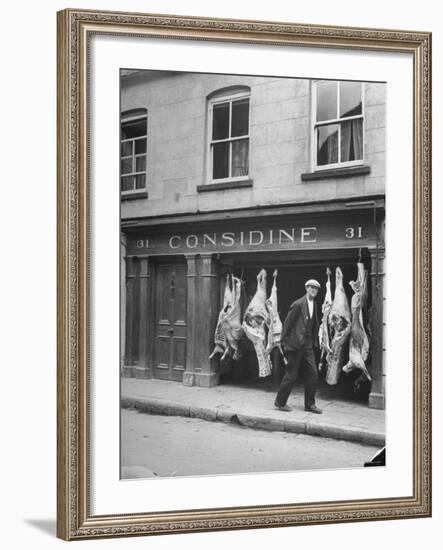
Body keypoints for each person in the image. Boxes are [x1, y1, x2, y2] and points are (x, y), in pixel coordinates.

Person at [274, 279, 323, 414]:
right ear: (306, 288)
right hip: (296, 344)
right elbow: (287, 324)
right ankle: (280, 402)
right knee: (291, 374)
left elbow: (314, 323)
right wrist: (283, 342)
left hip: (307, 344)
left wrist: (315, 341)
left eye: (316, 288)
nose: (314, 290)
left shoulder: (315, 304)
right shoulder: (298, 304)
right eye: (311, 287)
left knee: (313, 373)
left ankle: (310, 404)